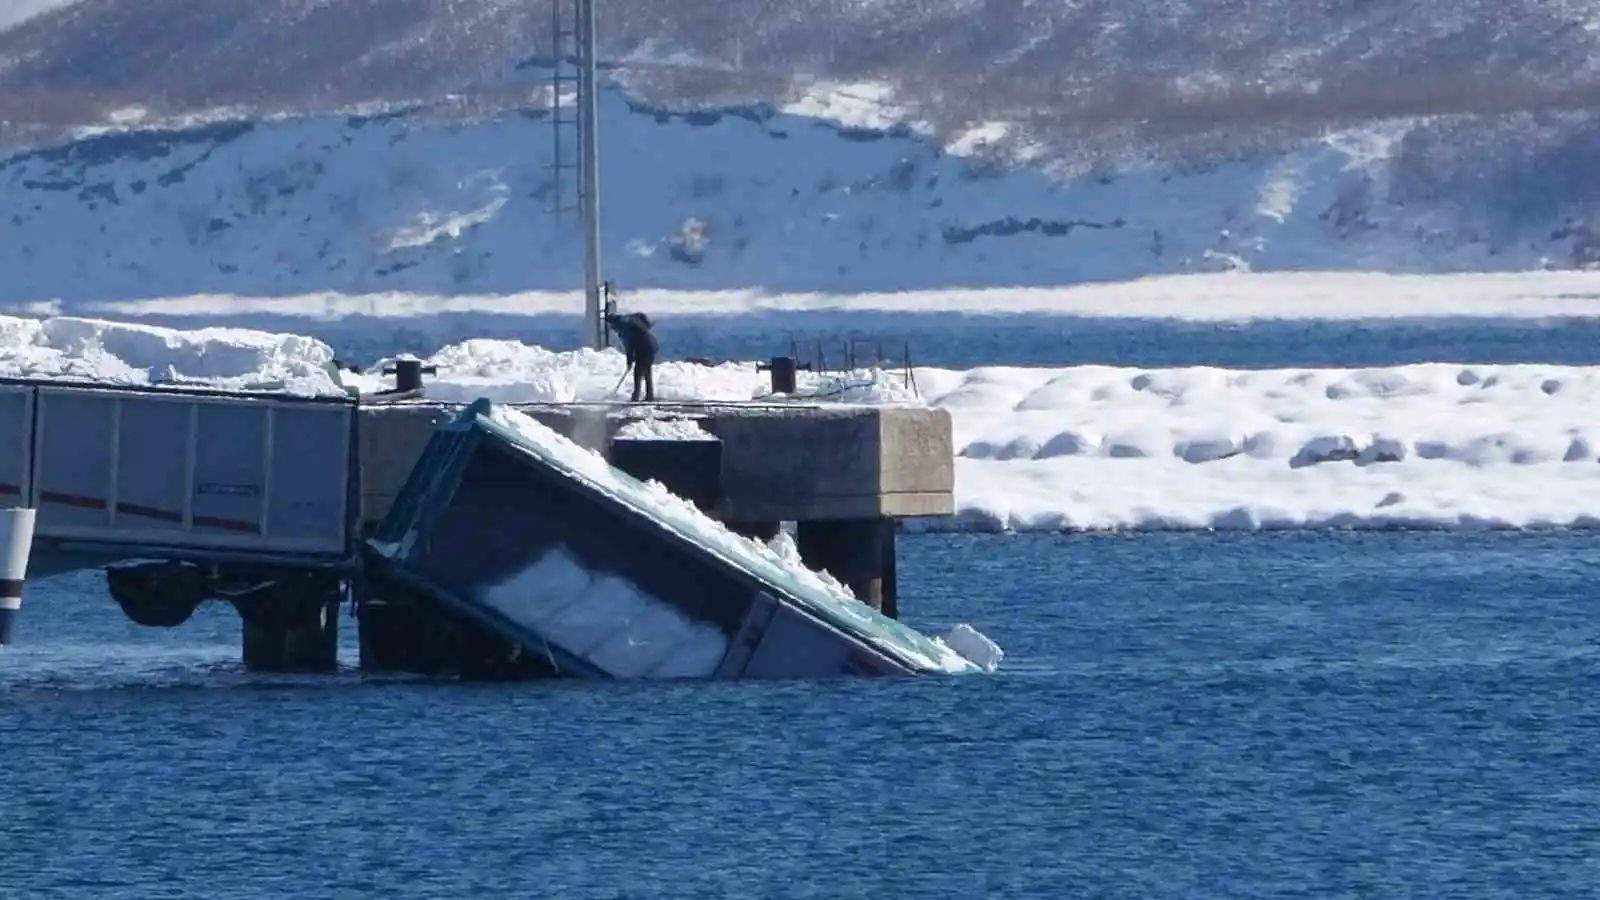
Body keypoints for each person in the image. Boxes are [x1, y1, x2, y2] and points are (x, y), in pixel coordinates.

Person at [605, 309, 658, 402]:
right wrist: (648, 325)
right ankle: (649, 396)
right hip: (652, 345)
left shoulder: (622, 327)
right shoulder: (627, 318)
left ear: (612, 323)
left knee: (638, 373)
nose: (610, 328)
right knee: (646, 371)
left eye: (609, 325)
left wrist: (629, 360)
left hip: (644, 348)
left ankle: (636, 398)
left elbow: (628, 345)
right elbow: (641, 315)